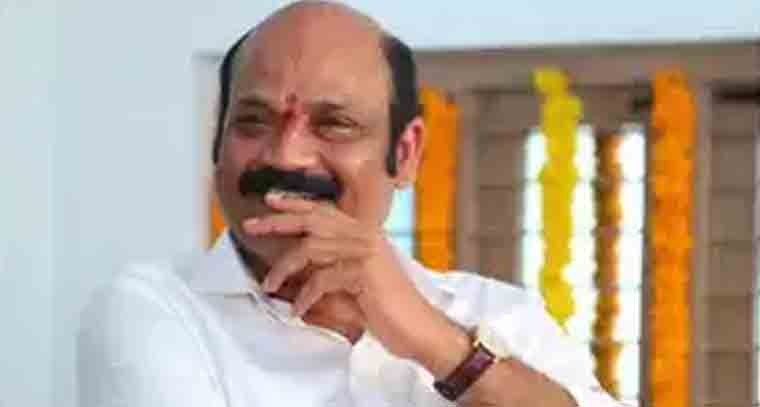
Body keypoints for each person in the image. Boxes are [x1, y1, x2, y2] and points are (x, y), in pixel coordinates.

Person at [78, 1, 624, 406]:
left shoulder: (502, 316)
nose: (286, 155)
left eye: (334, 124)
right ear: (217, 142)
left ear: (405, 154)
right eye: (253, 121)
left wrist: (437, 344)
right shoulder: (157, 311)